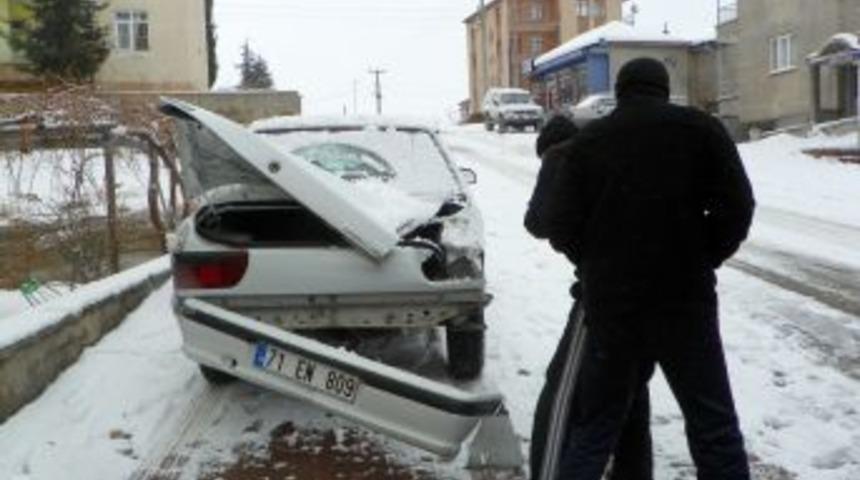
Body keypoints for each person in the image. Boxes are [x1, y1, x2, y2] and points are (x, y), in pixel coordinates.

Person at [542, 57, 755, 479]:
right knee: (713, 422)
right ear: (663, 88)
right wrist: (702, 255)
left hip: (612, 306)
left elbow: (559, 223)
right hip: (684, 299)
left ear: (620, 91)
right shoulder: (700, 129)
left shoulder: (590, 141)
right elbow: (738, 206)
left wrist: (594, 262)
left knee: (596, 426)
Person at [526, 115, 653, 480]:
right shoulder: (617, 155)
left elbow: (538, 221)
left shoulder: (562, 155)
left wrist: (585, 254)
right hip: (658, 293)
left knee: (562, 392)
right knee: (629, 393)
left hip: (603, 295)